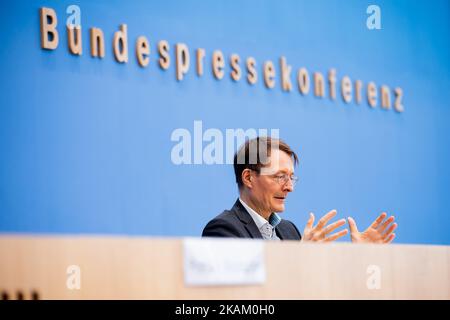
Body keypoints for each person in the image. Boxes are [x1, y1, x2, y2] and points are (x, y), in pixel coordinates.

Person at [202, 137, 397, 243]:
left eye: (291, 177)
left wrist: (360, 258)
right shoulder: (223, 229)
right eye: (280, 176)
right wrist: (300, 258)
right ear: (248, 177)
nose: (289, 187)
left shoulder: (289, 230)